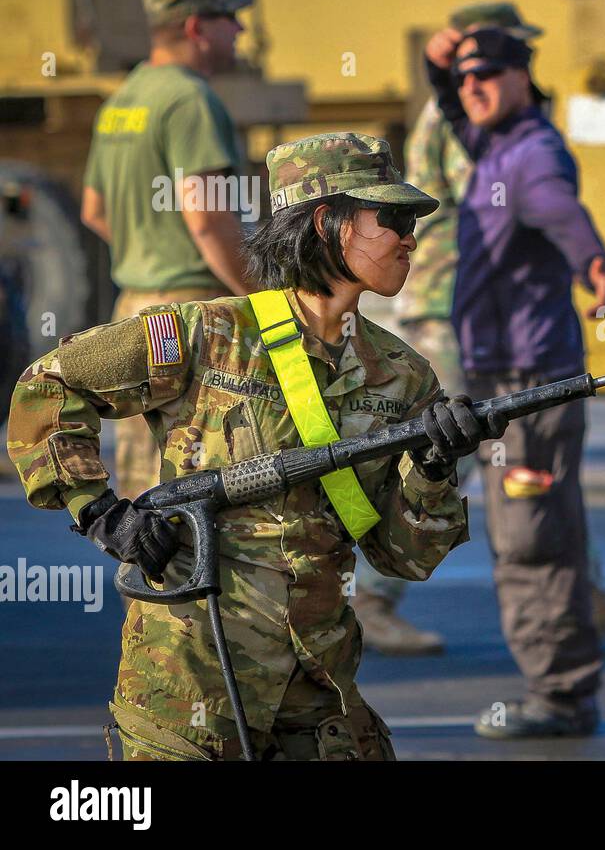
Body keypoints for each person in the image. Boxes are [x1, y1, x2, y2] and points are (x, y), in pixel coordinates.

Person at [7, 132, 498, 760]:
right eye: (393, 218)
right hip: (190, 685)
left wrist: (433, 468)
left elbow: (403, 558)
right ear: (330, 223)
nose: (410, 237)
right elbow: (51, 382)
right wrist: (99, 512)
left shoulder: (401, 375)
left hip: (316, 694)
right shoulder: (206, 334)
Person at [359, 2, 605, 654]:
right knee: (452, 450)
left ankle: (581, 594)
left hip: (484, 308)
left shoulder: (489, 117)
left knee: (534, 462)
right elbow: (528, 192)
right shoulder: (484, 125)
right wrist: (589, 257)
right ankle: (370, 595)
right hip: (454, 305)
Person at [425, 23, 605, 738]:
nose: (472, 87)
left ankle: (561, 697)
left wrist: (595, 262)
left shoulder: (530, 156)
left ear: (523, 79)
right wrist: (439, 72)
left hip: (532, 386)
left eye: (486, 76)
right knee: (526, 534)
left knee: (534, 540)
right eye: (464, 79)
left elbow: (564, 213)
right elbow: (456, 111)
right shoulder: (494, 143)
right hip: (506, 381)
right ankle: (559, 689)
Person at [80, 0, 257, 501]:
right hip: (193, 315)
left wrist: (151, 255)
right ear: (198, 27)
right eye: (230, 18)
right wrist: (266, 297)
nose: (240, 31)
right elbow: (207, 218)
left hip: (134, 311)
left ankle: (147, 587)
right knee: (200, 481)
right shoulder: (190, 101)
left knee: (144, 488)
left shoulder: (122, 101)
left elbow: (94, 210)